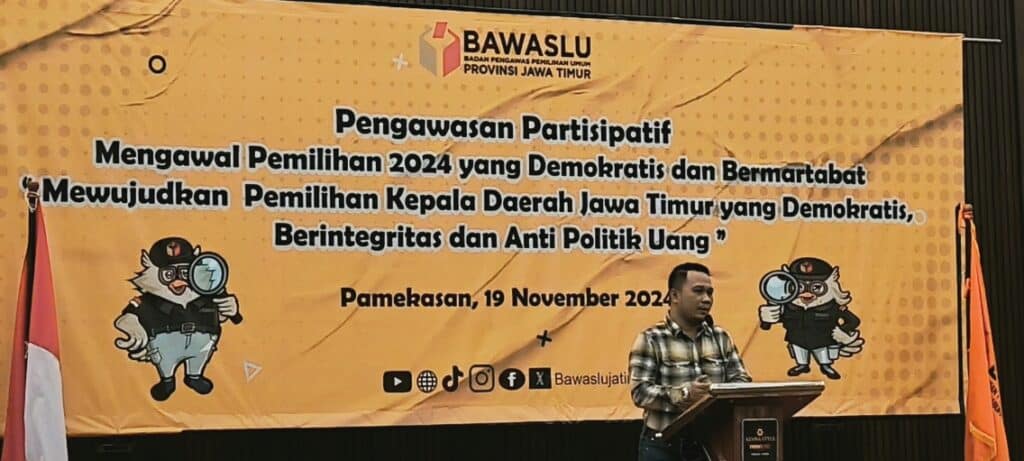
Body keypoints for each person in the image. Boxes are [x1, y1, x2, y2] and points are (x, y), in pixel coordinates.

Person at [629, 262, 753, 461]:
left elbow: (741, 381)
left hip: (711, 443)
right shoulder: (651, 339)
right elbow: (640, 392)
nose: (706, 299)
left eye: (710, 292)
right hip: (663, 446)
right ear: (674, 296)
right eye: (698, 291)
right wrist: (684, 394)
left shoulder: (721, 337)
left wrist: (714, 395)